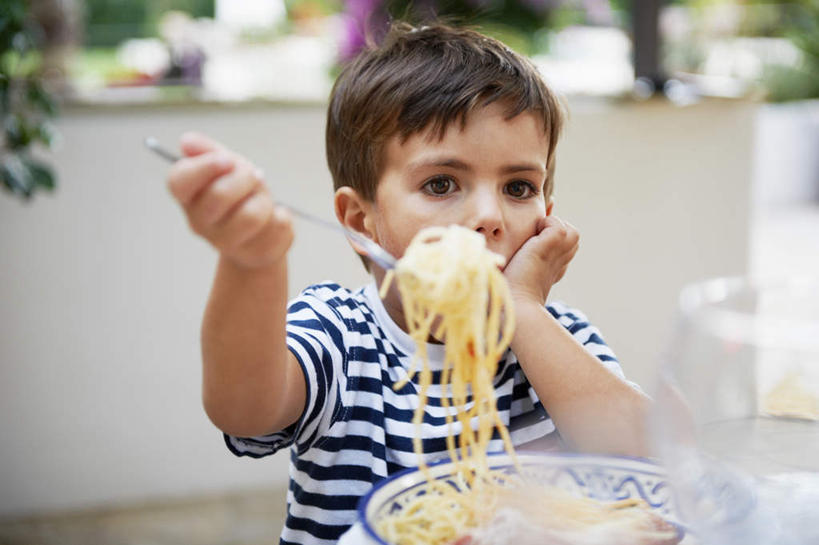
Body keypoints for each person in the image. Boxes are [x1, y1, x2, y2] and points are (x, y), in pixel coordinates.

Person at [165, 21, 651, 545]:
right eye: (441, 183)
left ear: (547, 217)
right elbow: (244, 409)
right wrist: (251, 262)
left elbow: (645, 457)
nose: (489, 216)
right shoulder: (340, 335)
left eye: (518, 186)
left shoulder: (557, 339)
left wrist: (524, 310)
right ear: (358, 220)